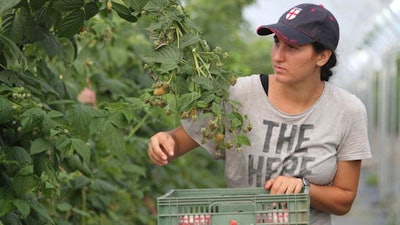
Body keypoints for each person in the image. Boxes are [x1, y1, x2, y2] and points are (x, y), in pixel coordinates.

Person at [147, 3, 372, 225]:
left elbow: (344, 200)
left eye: (292, 48)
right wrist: (164, 141)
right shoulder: (238, 94)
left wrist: (303, 188)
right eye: (276, 43)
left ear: (322, 57)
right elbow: (176, 142)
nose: (278, 56)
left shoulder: (347, 111)